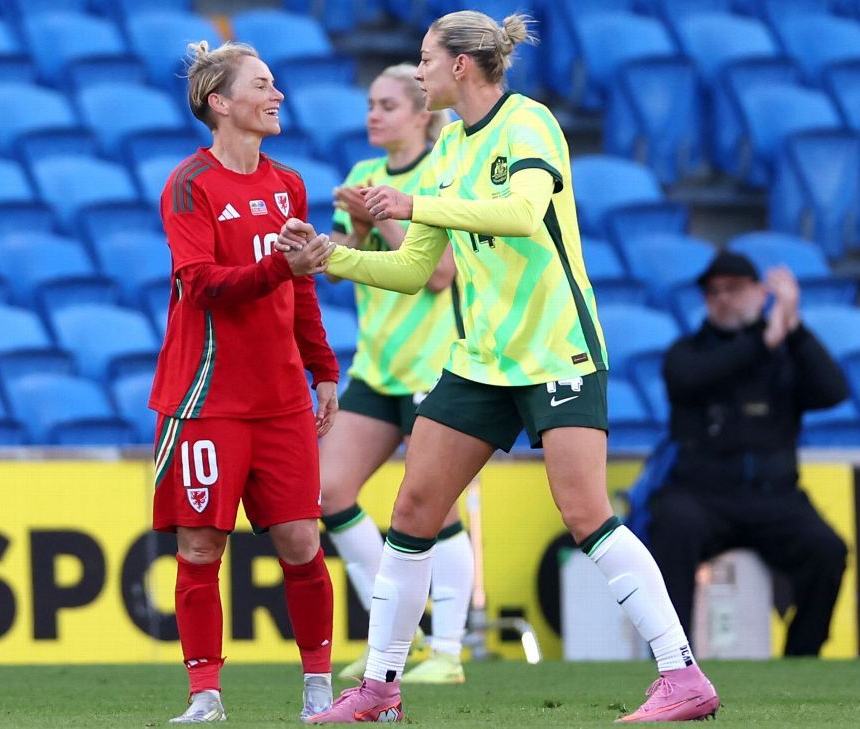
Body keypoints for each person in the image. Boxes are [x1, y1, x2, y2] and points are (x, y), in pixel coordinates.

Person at [280, 10, 719, 724]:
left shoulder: (528, 123)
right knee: (413, 510)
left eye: (426, 59)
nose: (419, 72)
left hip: (555, 349)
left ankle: (682, 675)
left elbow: (522, 212)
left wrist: (417, 201)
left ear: (460, 65)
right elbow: (417, 268)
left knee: (585, 512)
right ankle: (381, 688)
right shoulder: (448, 150)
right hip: (482, 358)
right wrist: (332, 258)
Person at [149, 40, 341, 724]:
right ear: (221, 103)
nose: (277, 94)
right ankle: (206, 696)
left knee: (302, 544)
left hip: (282, 398)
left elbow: (300, 288)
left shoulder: (288, 184)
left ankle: (319, 689)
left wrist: (322, 367)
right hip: (205, 399)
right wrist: (282, 269)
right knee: (201, 546)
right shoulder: (189, 186)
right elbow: (201, 284)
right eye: (261, 84)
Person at [319, 63, 473, 685]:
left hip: (436, 365)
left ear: (420, 113)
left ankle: (448, 652)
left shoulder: (444, 174)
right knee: (327, 492)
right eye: (370, 105)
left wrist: (379, 214)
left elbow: (440, 275)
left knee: (437, 506)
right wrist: (354, 226)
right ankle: (398, 638)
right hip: (378, 364)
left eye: (387, 105)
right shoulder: (364, 173)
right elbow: (338, 267)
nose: (373, 116)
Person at [650, 250, 849, 657]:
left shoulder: (786, 351)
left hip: (775, 499)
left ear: (761, 293)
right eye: (713, 291)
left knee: (827, 549)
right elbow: (688, 378)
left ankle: (801, 659)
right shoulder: (688, 352)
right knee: (673, 523)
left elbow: (833, 391)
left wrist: (793, 328)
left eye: (734, 289)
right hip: (703, 496)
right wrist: (763, 341)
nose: (723, 298)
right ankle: (675, 659)